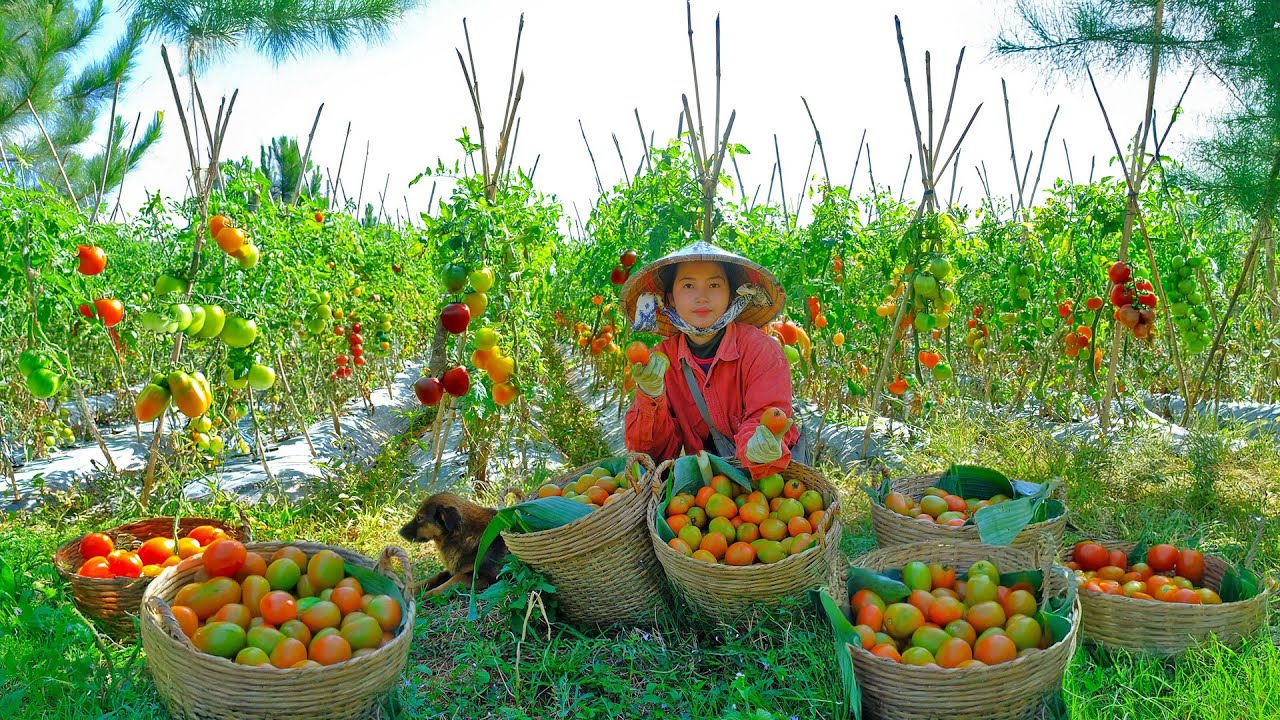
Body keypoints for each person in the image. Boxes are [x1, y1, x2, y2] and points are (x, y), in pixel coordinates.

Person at [621, 240, 805, 480]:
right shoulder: (660, 362)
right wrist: (650, 396)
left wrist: (759, 446)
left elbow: (768, 416)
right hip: (709, 489)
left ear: (731, 294)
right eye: (688, 285)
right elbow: (652, 454)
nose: (702, 297)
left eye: (715, 285)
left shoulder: (762, 351)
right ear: (670, 299)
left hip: (769, 481)